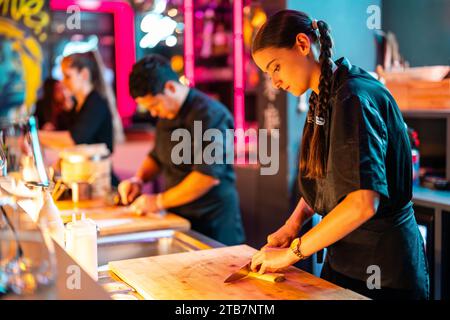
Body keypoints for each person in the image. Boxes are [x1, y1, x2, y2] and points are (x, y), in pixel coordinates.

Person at [249, 10, 429, 300]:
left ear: (302, 44)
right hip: (344, 258)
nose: (275, 81)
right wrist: (292, 225)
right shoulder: (323, 95)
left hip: (384, 269)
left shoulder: (353, 97)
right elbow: (324, 177)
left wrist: (292, 254)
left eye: (276, 67)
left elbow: (362, 204)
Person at [119, 54, 245, 246]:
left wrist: (158, 201)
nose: (154, 113)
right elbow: (157, 156)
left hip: (213, 224)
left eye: (154, 105)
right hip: (180, 221)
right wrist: (138, 180)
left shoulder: (212, 115)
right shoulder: (167, 112)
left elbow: (207, 176)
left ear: (170, 87)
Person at [38, 51, 119, 186]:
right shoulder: (77, 105)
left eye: (67, 76)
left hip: (100, 181)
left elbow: (74, 139)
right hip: (84, 177)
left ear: (84, 75)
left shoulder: (95, 103)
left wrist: (35, 135)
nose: (63, 82)